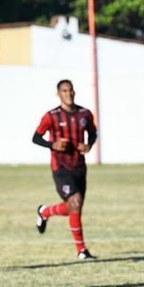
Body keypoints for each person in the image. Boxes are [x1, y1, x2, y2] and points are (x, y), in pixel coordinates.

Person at [33, 79, 98, 260]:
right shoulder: (51, 116)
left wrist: (89, 145)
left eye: (71, 90)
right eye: (64, 91)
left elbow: (93, 132)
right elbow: (36, 137)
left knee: (75, 208)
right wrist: (52, 144)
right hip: (60, 167)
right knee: (75, 202)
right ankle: (82, 250)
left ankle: (45, 212)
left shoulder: (85, 114)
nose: (68, 94)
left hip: (79, 166)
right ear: (58, 94)